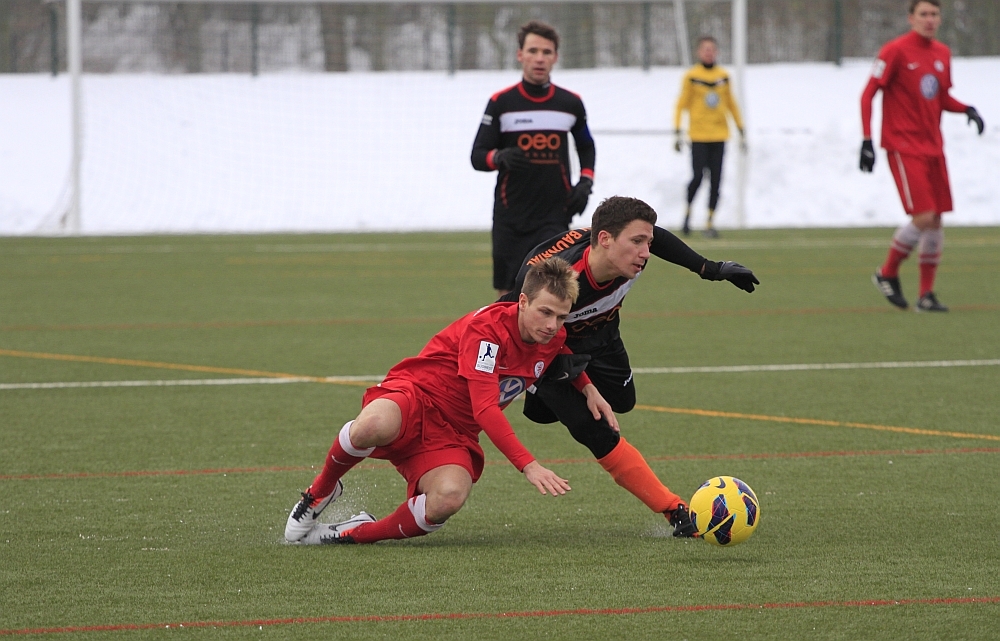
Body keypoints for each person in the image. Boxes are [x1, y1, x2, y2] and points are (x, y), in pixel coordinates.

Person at [284, 257, 618, 545]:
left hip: (454, 433)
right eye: (545, 312)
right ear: (522, 302)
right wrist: (528, 464)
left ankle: (353, 533)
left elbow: (559, 351)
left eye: (561, 317)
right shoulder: (487, 332)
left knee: (448, 498)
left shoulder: (552, 336)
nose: (552, 325)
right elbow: (485, 409)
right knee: (371, 425)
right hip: (417, 396)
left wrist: (587, 387)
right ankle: (320, 491)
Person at [499, 196, 759, 537]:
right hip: (550, 348)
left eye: (647, 242)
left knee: (622, 401)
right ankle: (674, 510)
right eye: (637, 242)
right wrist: (563, 376)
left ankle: (546, 397)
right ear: (605, 239)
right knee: (594, 428)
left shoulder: (633, 254)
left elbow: (657, 236)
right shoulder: (556, 280)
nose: (646, 252)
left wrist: (709, 269)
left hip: (604, 337)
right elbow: (511, 317)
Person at [861, 0, 984, 312]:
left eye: (934, 14)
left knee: (936, 219)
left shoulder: (942, 52)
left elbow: (940, 97)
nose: (930, 20)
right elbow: (868, 93)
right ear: (911, 18)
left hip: (933, 147)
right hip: (903, 145)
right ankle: (887, 272)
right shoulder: (894, 51)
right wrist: (867, 140)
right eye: (923, 14)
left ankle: (926, 296)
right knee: (924, 216)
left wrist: (966, 109)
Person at [471, 20, 596, 298]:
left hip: (554, 215)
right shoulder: (501, 102)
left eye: (546, 52)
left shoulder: (570, 103)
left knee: (554, 290)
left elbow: (586, 146)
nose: (540, 58)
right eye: (533, 51)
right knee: (508, 295)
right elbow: (478, 156)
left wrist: (586, 182)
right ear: (520, 55)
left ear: (555, 57)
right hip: (511, 216)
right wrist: (499, 156)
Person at [673, 36, 745, 239]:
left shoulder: (723, 76)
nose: (709, 52)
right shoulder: (691, 76)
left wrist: (740, 128)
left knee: (716, 180)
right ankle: (687, 214)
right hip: (699, 136)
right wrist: (677, 130)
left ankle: (709, 222)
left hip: (719, 135)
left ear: (716, 52)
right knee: (697, 177)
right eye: (705, 49)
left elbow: (731, 103)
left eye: (712, 49)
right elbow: (681, 104)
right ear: (699, 52)